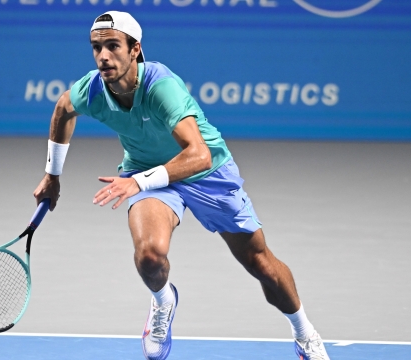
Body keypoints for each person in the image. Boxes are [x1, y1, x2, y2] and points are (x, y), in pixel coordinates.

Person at [33, 10, 331, 360]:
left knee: (260, 262)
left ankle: (304, 332)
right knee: (149, 257)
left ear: (134, 50)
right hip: (148, 172)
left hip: (206, 172)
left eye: (113, 46)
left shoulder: (161, 87)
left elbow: (199, 155)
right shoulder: (94, 90)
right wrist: (52, 175)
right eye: (96, 47)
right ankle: (163, 302)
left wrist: (138, 183)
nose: (103, 56)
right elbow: (63, 108)